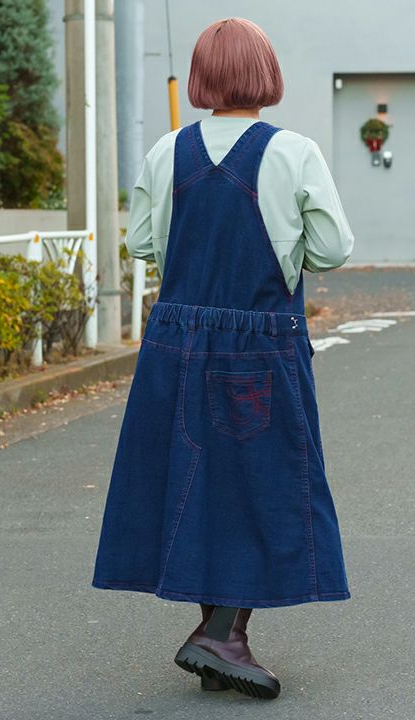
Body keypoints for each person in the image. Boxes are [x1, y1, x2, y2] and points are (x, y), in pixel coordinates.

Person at [92, 17, 354, 701]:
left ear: (203, 76)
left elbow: (141, 244)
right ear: (266, 74)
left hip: (175, 338)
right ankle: (222, 637)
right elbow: (333, 249)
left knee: (190, 480)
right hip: (259, 340)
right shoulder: (292, 151)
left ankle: (220, 639)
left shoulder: (167, 150)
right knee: (261, 482)